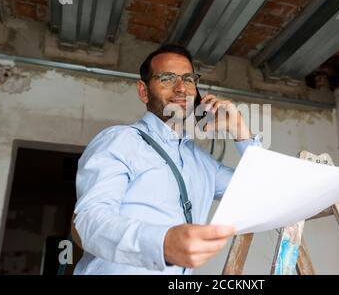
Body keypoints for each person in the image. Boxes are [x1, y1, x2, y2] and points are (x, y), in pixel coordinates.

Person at [72, 44, 262, 274]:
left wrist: (239, 129)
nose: (181, 88)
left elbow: (258, 192)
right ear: (143, 91)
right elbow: (86, 224)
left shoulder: (202, 162)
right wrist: (162, 243)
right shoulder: (120, 141)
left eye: (189, 79)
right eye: (167, 78)